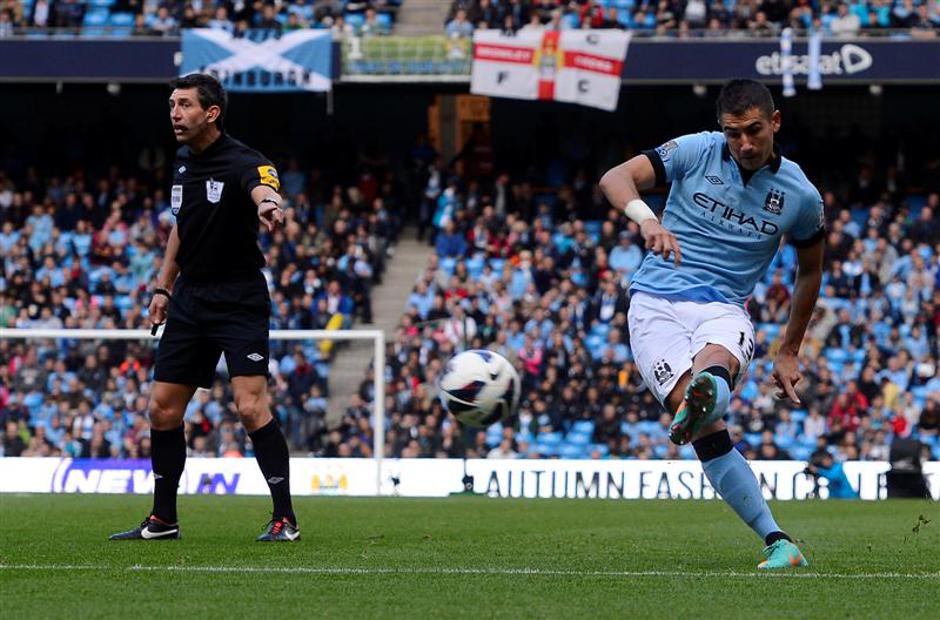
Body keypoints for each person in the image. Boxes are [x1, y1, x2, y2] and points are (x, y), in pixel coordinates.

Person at [599, 79, 825, 570]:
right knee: (703, 422)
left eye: (754, 130)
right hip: (654, 301)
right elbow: (616, 177)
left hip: (723, 304)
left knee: (713, 369)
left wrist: (789, 350)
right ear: (721, 129)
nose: (744, 143)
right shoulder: (697, 150)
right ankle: (779, 542)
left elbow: (811, 270)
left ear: (775, 123)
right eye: (733, 133)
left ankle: (710, 389)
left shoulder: (801, 195)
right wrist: (647, 220)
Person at [110, 74, 298, 542]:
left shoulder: (245, 161)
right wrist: (163, 288)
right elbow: (182, 226)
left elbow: (264, 187)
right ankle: (163, 519)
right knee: (162, 409)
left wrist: (268, 206)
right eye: (172, 104)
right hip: (191, 298)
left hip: (238, 297)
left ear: (211, 113)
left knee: (250, 407)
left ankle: (285, 518)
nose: (175, 113)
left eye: (185, 105)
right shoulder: (182, 162)